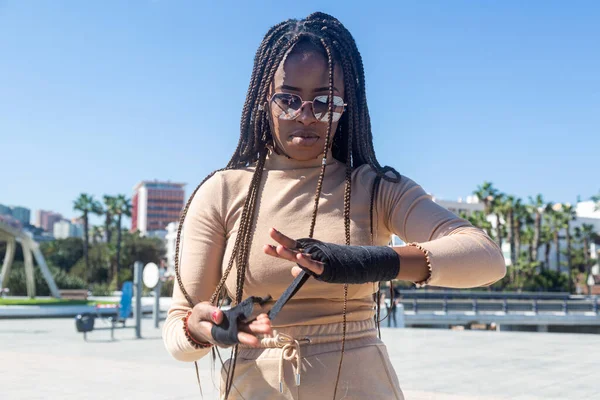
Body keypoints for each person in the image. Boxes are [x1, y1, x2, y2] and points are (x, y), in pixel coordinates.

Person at [163, 12, 506, 400]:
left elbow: (487, 258)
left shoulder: (374, 188)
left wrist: (361, 262)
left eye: (325, 101)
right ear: (264, 99)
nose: (307, 116)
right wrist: (199, 325)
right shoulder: (221, 192)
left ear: (347, 106)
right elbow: (178, 330)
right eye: (289, 99)